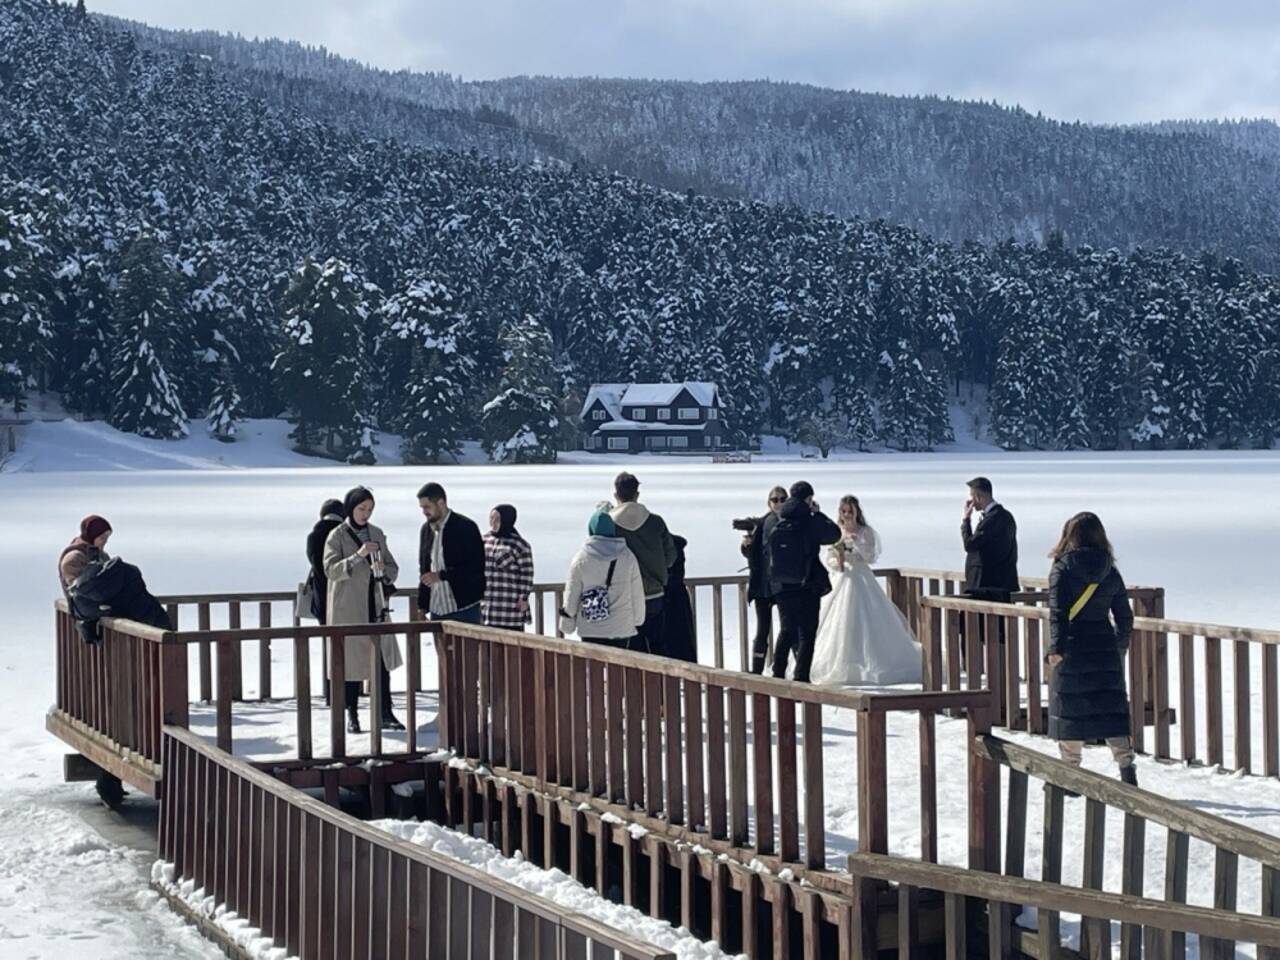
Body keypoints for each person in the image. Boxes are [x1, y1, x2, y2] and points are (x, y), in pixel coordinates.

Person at [1046, 512, 1137, 786]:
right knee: (1110, 710)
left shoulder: (1062, 569)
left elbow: (1058, 613)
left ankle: (1071, 775)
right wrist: (1117, 645)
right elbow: (1125, 616)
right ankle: (1126, 768)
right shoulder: (1110, 569)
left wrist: (1056, 648)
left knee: (1070, 710)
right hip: (1104, 646)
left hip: (1072, 646)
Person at [808, 496, 922, 686]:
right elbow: (829, 558)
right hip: (841, 578)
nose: (846, 515)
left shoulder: (865, 532)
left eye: (850, 511)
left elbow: (870, 556)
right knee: (837, 620)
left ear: (856, 512)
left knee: (867, 618)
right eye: (843, 511)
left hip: (861, 577)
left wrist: (855, 544)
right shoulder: (836, 531)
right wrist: (839, 559)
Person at [324, 486, 403, 733]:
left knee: (381, 661)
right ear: (351, 508)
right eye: (361, 508)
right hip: (348, 607)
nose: (366, 514)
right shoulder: (336, 535)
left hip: (375, 604)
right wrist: (358, 556)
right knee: (351, 664)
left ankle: (385, 712)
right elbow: (331, 569)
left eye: (369, 509)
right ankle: (352, 714)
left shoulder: (377, 533)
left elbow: (393, 567)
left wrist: (384, 571)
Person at [761, 481, 841, 682]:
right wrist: (818, 514)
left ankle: (778, 672)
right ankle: (801, 677)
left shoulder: (779, 519)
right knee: (807, 632)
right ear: (808, 499)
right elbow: (834, 535)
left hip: (781, 584)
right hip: (807, 584)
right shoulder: (810, 520)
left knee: (787, 629)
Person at [59, 515, 171, 637]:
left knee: (144, 602)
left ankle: (164, 634)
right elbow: (80, 589)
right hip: (87, 607)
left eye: (107, 537)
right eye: (102, 537)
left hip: (99, 601)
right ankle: (164, 637)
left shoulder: (100, 554)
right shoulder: (74, 558)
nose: (105, 541)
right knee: (138, 605)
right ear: (92, 536)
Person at [559, 506, 646, 649]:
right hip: (621, 627)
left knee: (594, 670)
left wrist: (567, 625)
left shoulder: (581, 559)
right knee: (619, 669)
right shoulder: (628, 556)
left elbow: (571, 595)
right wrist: (638, 620)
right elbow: (636, 592)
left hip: (591, 629)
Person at [610, 472, 676, 655]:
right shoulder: (655, 522)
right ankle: (661, 683)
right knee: (658, 647)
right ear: (637, 494)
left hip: (623, 596)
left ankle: (632, 684)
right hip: (654, 593)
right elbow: (670, 556)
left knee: (629, 649)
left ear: (616, 495)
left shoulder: (610, 524)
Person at [417, 482, 486, 624]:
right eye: (422, 508)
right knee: (441, 647)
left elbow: (475, 568)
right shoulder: (426, 530)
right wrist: (422, 606)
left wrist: (442, 575)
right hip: (436, 609)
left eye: (427, 507)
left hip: (464, 608)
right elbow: (424, 569)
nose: (424, 511)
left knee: (467, 647)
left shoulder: (465, 527)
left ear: (441, 503)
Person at [743, 486, 788, 674]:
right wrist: (746, 545)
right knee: (762, 631)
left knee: (787, 630)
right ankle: (756, 672)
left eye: (782, 499)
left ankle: (781, 669)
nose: (778, 503)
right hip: (762, 586)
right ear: (768, 503)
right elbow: (751, 554)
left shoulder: (791, 523)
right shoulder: (760, 524)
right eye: (774, 500)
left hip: (784, 586)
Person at [960, 477, 1019, 601]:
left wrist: (966, 520)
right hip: (1002, 586)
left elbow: (969, 544)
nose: (971, 501)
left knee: (980, 620)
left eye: (972, 496)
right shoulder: (1007, 516)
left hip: (986, 588)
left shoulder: (992, 519)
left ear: (978, 496)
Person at [481, 504, 534, 631]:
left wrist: (524, 597)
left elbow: (527, 574)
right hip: (485, 608)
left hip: (509, 609)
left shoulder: (520, 545)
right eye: (491, 518)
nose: (493, 522)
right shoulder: (483, 540)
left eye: (497, 519)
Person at [305, 498, 345, 624]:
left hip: (322, 596)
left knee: (329, 638)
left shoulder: (313, 536)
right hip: (348, 597)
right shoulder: (347, 534)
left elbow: (315, 563)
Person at [661, 534, 696, 662]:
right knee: (683, 643)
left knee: (669, 644)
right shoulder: (677, 548)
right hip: (679, 598)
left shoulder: (662, 550)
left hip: (666, 599)